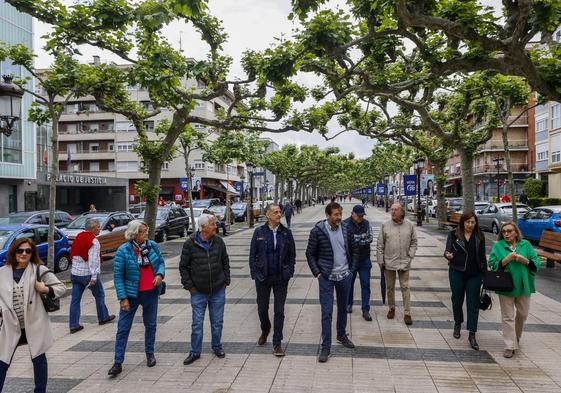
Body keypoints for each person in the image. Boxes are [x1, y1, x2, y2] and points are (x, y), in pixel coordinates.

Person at [0, 238, 66, 392]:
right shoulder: (2, 273)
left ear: (32, 253)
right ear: (13, 252)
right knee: (2, 361)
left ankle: (40, 391)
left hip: (34, 323)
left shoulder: (38, 270)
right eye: (20, 250)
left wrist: (46, 289)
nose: (24, 254)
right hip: (10, 325)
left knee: (38, 359)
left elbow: (61, 288)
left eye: (28, 251)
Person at [108, 220, 166, 377]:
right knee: (123, 328)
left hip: (151, 293)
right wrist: (123, 298)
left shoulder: (152, 246)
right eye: (143, 232)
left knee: (151, 325)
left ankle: (150, 354)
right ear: (134, 234)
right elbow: (118, 277)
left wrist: (160, 274)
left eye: (146, 231)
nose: (146, 234)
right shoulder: (124, 251)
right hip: (131, 296)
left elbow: (160, 262)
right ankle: (118, 362)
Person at [306, 202, 358, 363]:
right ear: (328, 215)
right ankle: (326, 346)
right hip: (326, 277)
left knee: (343, 308)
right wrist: (318, 273)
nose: (339, 217)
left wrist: (351, 271)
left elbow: (355, 250)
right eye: (336, 214)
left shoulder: (346, 228)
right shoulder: (318, 231)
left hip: (344, 276)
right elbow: (310, 254)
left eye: (340, 214)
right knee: (326, 311)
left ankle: (341, 334)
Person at [180, 214, 231, 365]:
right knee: (197, 324)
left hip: (217, 289)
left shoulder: (219, 241)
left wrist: (226, 280)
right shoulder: (190, 243)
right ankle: (195, 352)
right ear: (203, 228)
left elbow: (225, 261)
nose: (216, 226)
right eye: (212, 224)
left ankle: (217, 346)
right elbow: (183, 267)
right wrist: (190, 286)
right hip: (198, 292)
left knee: (217, 322)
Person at [488, 222, 541, 358]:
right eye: (504, 231)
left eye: (509, 231)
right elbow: (492, 264)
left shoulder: (526, 245)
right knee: (507, 316)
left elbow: (537, 263)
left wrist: (525, 261)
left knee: (523, 314)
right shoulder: (498, 246)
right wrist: (506, 259)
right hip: (505, 285)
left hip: (523, 285)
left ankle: (515, 337)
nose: (506, 234)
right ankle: (509, 345)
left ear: (516, 233)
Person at [249, 204, 296, 356]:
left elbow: (292, 255)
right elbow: (253, 254)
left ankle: (277, 343)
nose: (279, 214)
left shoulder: (286, 233)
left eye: (279, 212)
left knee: (279, 311)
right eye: (275, 212)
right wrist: (255, 273)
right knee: (262, 308)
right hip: (263, 277)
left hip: (281, 278)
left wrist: (289, 271)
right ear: (268, 215)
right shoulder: (259, 232)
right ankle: (265, 329)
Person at [444, 212, 487, 350]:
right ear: (462, 222)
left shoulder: (480, 236)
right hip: (457, 271)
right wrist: (448, 255)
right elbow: (447, 252)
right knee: (457, 299)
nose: (470, 225)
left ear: (476, 223)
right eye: (467, 222)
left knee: (473, 304)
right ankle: (458, 323)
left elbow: (482, 257)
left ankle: (472, 334)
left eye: (472, 222)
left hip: (474, 274)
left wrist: (484, 275)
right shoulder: (453, 234)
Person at [69, 219, 115, 334]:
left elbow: (73, 254)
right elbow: (93, 261)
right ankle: (103, 317)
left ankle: (73, 325)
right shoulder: (94, 241)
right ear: (93, 228)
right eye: (98, 227)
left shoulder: (79, 236)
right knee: (99, 294)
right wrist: (94, 277)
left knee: (75, 299)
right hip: (87, 274)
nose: (100, 229)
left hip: (75, 273)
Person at [377, 203, 418, 326]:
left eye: (396, 210)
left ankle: (407, 312)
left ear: (402, 211)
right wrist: (380, 260)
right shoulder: (385, 226)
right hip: (389, 261)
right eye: (392, 209)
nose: (393, 212)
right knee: (390, 287)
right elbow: (380, 245)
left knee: (405, 287)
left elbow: (414, 241)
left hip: (404, 261)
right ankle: (392, 308)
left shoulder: (410, 225)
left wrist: (410, 255)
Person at [344, 205, 374, 321]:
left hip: (364, 259)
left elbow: (370, 238)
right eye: (359, 215)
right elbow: (347, 240)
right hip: (350, 260)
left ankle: (365, 309)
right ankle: (349, 304)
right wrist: (361, 237)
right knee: (349, 283)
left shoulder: (367, 224)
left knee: (365, 284)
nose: (361, 218)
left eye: (362, 215)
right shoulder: (345, 224)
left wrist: (356, 239)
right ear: (353, 214)